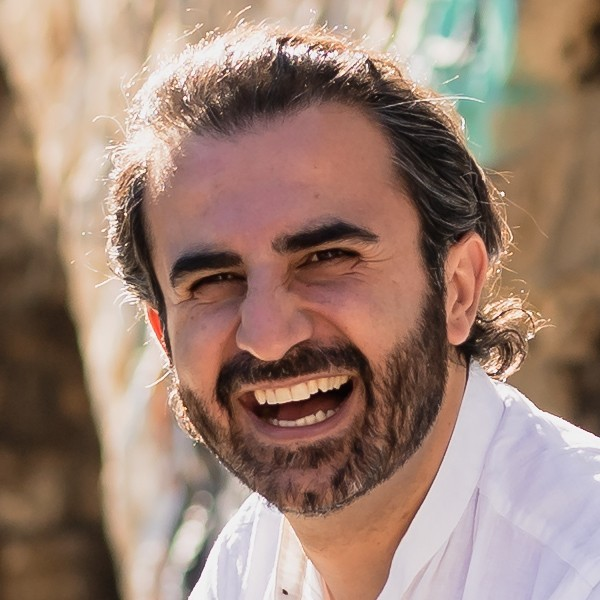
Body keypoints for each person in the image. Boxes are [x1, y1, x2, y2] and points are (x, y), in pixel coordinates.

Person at [106, 24, 600, 600]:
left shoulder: (577, 567)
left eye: (326, 258)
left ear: (458, 289)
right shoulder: (245, 568)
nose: (268, 335)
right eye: (214, 281)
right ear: (164, 336)